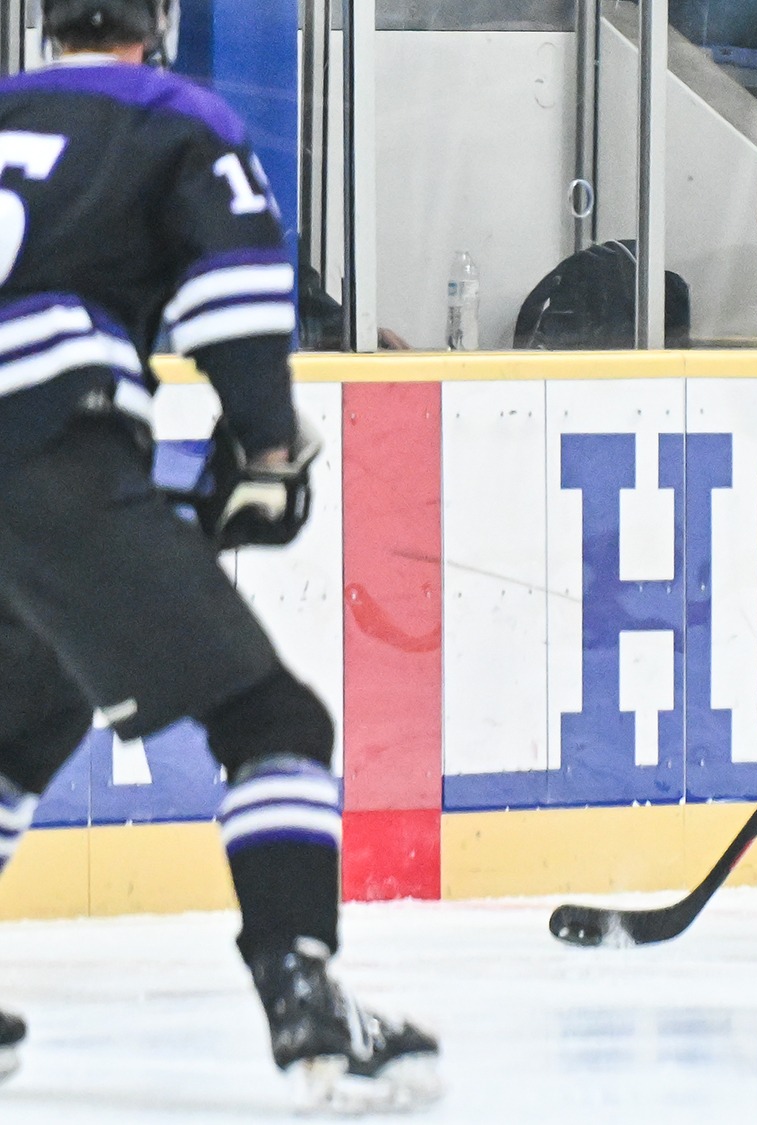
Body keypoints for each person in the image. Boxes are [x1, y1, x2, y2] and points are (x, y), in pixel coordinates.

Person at [0, 1, 439, 1109]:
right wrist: (268, 446)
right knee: (275, 722)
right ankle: (303, 996)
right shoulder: (172, 114)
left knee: (30, 712)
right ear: (159, 18)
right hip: (42, 445)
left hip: (38, 468)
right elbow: (241, 306)